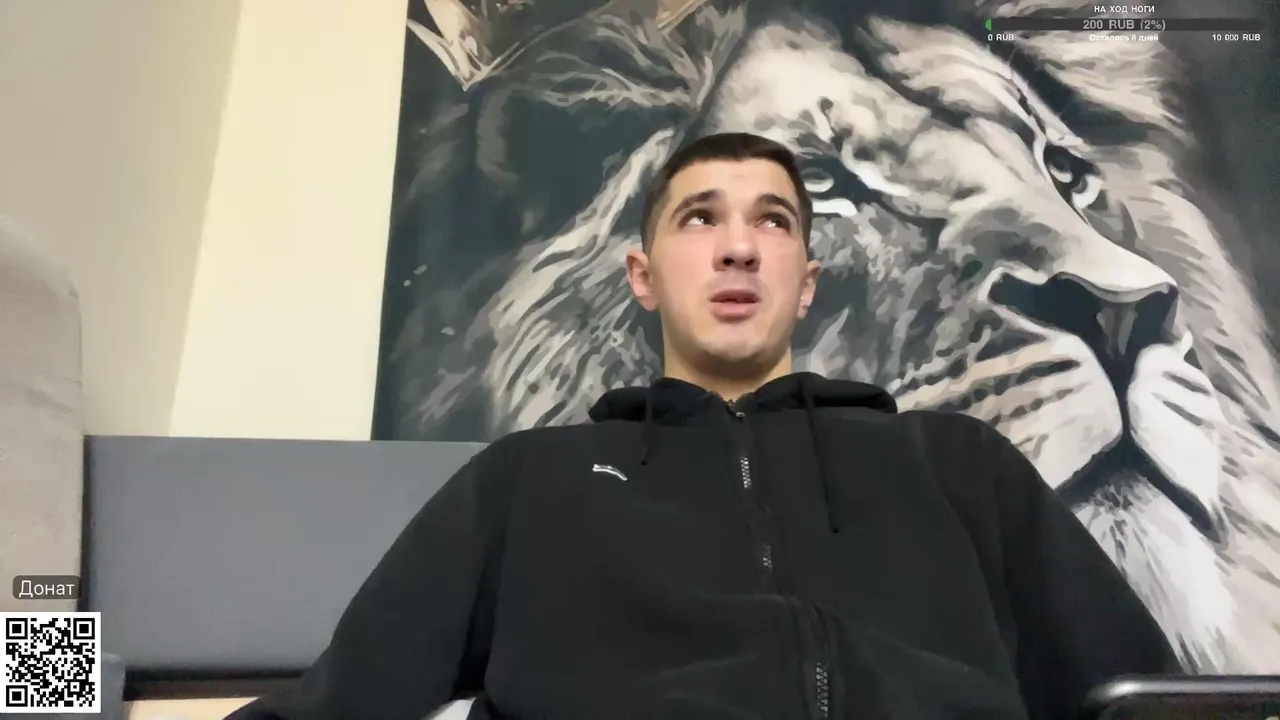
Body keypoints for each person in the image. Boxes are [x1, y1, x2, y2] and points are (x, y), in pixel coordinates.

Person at [231, 133, 1181, 720]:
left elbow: (1147, 700)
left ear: (805, 281)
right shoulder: (530, 477)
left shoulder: (954, 461)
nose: (736, 247)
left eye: (773, 221)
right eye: (699, 218)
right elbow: (338, 703)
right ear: (642, 277)